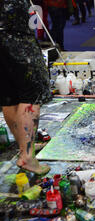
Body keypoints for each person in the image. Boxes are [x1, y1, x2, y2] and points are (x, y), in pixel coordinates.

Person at [0, 0, 52, 175]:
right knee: (32, 93)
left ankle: (24, 147)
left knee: (9, 95)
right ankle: (27, 155)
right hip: (16, 38)